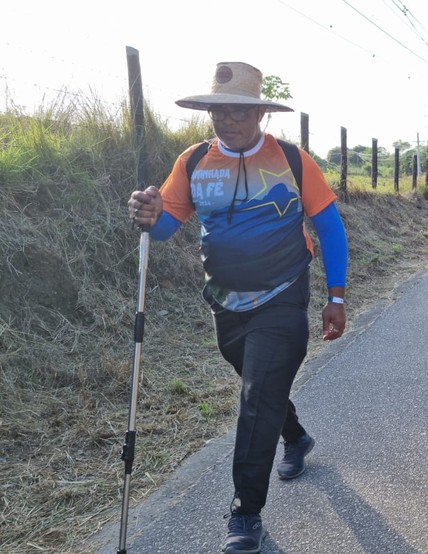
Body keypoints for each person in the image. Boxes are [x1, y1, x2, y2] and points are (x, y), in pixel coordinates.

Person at [127, 62, 348, 554]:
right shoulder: (192, 162)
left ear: (260, 115)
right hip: (224, 300)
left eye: (239, 111)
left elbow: (330, 228)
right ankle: (294, 435)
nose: (227, 120)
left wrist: (336, 296)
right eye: (218, 111)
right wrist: (150, 211)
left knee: (255, 399)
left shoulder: (291, 160)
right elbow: (165, 226)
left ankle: (245, 513)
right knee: (258, 385)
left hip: (284, 294)